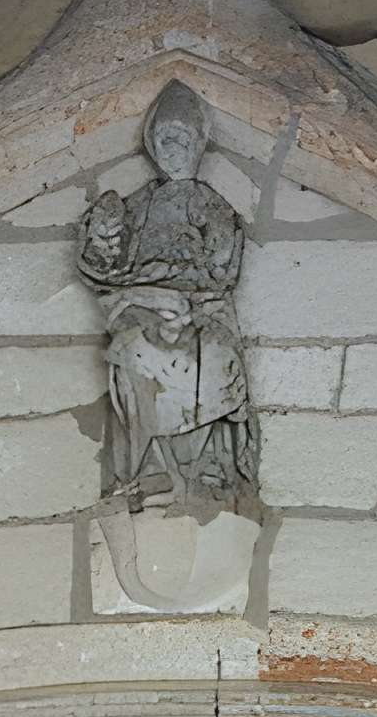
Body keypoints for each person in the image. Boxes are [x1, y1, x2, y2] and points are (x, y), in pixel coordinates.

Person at [77, 80, 257, 506]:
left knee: (214, 355)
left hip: (201, 310)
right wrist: (105, 237)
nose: (174, 148)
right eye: (165, 140)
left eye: (182, 139)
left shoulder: (211, 205)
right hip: (140, 304)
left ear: (197, 144)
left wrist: (184, 298)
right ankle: (151, 465)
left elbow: (222, 269)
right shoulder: (135, 204)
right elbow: (107, 268)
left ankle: (209, 465)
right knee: (135, 349)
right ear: (152, 146)